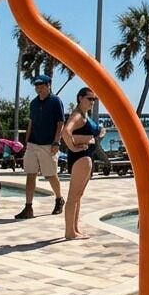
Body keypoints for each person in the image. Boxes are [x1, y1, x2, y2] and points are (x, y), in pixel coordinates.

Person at [15, 74, 65, 219]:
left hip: (48, 144)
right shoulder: (33, 103)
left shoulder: (56, 101)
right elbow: (31, 122)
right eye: (37, 86)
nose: (39, 89)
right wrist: (27, 141)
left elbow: (60, 123)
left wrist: (57, 141)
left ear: (48, 85)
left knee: (50, 174)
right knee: (30, 174)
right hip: (33, 143)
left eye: (41, 86)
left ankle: (59, 198)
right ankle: (28, 207)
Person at [61, 87, 102, 240]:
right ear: (80, 98)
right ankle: (69, 232)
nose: (93, 102)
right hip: (81, 158)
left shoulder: (83, 115)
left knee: (78, 196)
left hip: (84, 157)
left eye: (94, 99)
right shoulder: (77, 115)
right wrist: (73, 146)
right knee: (73, 197)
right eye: (89, 99)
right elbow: (66, 131)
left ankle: (74, 229)